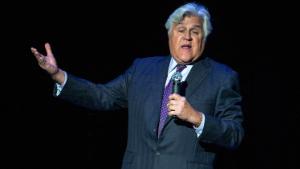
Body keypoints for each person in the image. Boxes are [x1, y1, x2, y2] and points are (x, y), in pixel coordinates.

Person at [31, 2, 244, 169]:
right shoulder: (142, 69)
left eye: (195, 31)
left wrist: (197, 118)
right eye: (180, 29)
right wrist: (58, 75)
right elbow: (102, 96)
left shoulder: (222, 77)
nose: (187, 36)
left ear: (204, 38)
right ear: (170, 34)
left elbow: (234, 134)